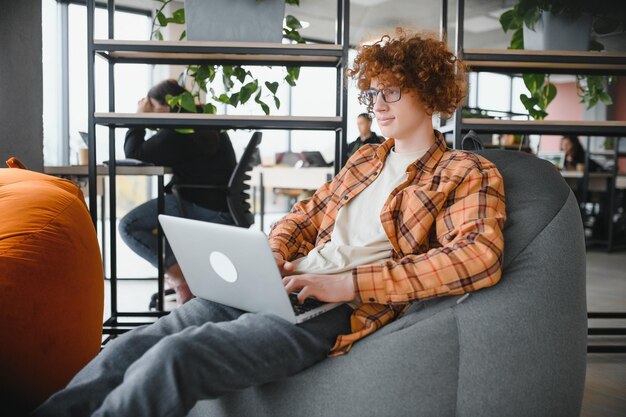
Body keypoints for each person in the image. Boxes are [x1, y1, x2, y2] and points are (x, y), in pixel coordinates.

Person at [32, 29, 506, 417]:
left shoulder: (464, 171)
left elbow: (477, 257)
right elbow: (302, 216)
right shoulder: (363, 162)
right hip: (282, 280)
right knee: (129, 346)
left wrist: (347, 285)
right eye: (371, 93)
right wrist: (273, 256)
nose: (377, 104)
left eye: (391, 90)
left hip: (334, 306)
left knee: (176, 358)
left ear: (430, 90)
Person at [119, 79, 237, 305]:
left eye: (152, 106)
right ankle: (182, 276)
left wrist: (139, 116)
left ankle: (181, 278)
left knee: (128, 226)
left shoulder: (180, 128)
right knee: (160, 218)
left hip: (199, 205)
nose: (152, 113)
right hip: (219, 205)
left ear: (166, 105)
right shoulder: (200, 119)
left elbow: (135, 151)